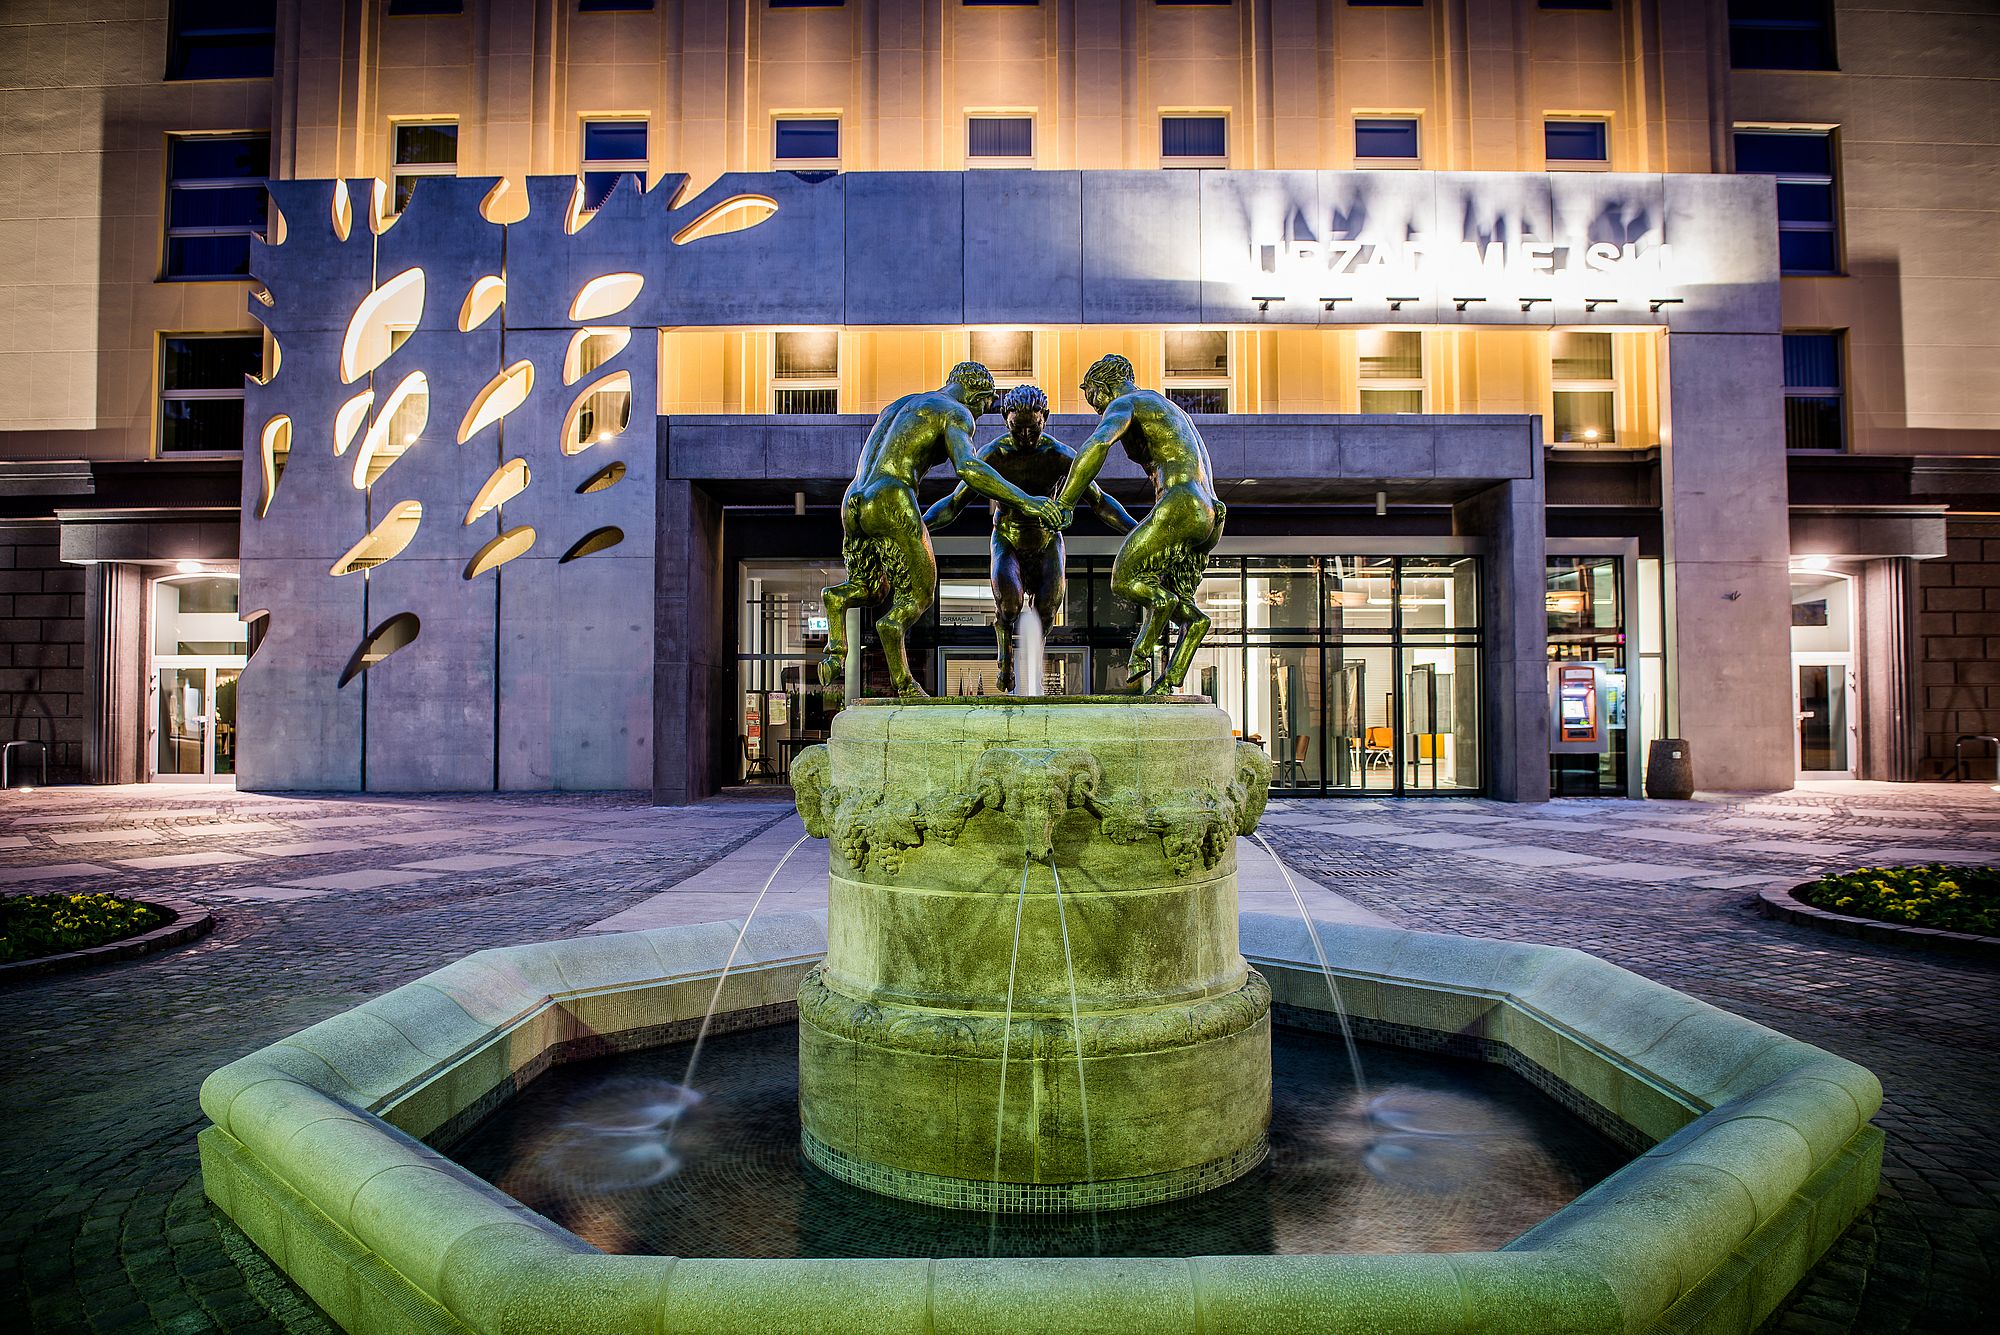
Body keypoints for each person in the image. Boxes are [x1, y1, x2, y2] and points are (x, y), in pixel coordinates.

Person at [819, 363, 1070, 699]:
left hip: (855, 499)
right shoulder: (957, 412)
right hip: (892, 496)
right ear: (979, 396)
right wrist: (1028, 502)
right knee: (918, 597)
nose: (978, 417)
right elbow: (967, 468)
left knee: (871, 589)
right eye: (983, 408)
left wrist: (918, 530)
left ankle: (836, 622)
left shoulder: (899, 405)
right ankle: (904, 684)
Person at [923, 384, 1137, 692]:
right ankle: (1005, 651)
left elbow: (1100, 501)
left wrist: (1135, 530)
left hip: (1047, 539)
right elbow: (955, 502)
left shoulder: (1060, 455)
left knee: (1047, 610)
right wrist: (920, 527)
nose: (1025, 436)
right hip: (1007, 538)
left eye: (1033, 428)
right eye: (1017, 428)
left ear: (1045, 418)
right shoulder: (993, 455)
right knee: (1009, 605)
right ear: (1004, 419)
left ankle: (1035, 662)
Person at [1056, 353, 1226, 696]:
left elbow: (1098, 444)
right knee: (1174, 596)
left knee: (1125, 579)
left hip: (1181, 501)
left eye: (1093, 398)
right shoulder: (1167, 408)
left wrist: (1065, 502)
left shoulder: (1126, 403)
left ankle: (1144, 644)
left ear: (1102, 387)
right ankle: (1176, 667)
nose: (1096, 408)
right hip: (1208, 510)